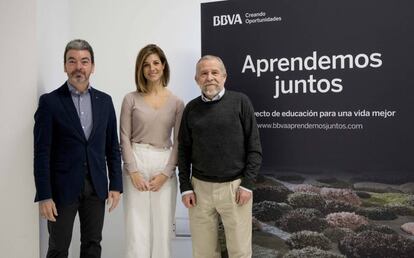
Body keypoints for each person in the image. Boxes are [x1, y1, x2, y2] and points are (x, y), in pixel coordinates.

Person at [33, 39, 123, 258]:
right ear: (65, 66)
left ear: (92, 66)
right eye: (72, 61)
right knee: (58, 247)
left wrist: (116, 185)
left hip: (96, 186)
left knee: (93, 245)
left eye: (84, 61)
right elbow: (41, 152)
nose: (78, 67)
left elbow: (112, 147)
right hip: (61, 188)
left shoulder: (105, 101)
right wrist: (44, 195)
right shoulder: (50, 102)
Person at [178, 55, 262, 258]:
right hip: (199, 191)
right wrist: (185, 188)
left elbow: (254, 148)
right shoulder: (191, 108)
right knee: (203, 253)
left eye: (214, 72)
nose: (209, 77)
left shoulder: (241, 102)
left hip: (235, 189)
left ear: (224, 76)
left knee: (240, 252)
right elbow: (183, 151)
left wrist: (247, 184)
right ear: (197, 79)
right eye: (204, 73)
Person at [120, 44, 184, 258]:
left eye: (156, 63)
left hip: (163, 161)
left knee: (163, 227)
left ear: (163, 65)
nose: (152, 68)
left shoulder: (176, 102)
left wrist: (166, 173)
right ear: (140, 69)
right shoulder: (130, 99)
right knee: (136, 228)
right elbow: (124, 137)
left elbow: (179, 141)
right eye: (146, 64)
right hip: (135, 159)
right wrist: (133, 171)